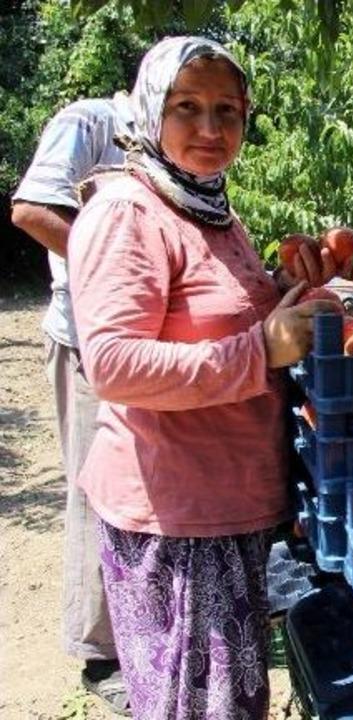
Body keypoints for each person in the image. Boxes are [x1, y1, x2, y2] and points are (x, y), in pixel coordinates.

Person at [66, 36, 339, 719]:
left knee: (225, 703)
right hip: (175, 516)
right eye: (188, 107)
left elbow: (219, 320)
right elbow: (115, 364)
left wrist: (285, 288)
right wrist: (259, 351)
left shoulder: (207, 206)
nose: (212, 129)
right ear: (151, 111)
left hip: (224, 504)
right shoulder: (129, 213)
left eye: (229, 110)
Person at [11, 92, 135, 712]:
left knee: (133, 487)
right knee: (94, 489)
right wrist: (113, 267)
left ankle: (136, 624)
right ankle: (98, 653)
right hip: (88, 341)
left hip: (142, 349)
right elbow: (32, 210)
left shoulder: (180, 149)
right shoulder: (91, 124)